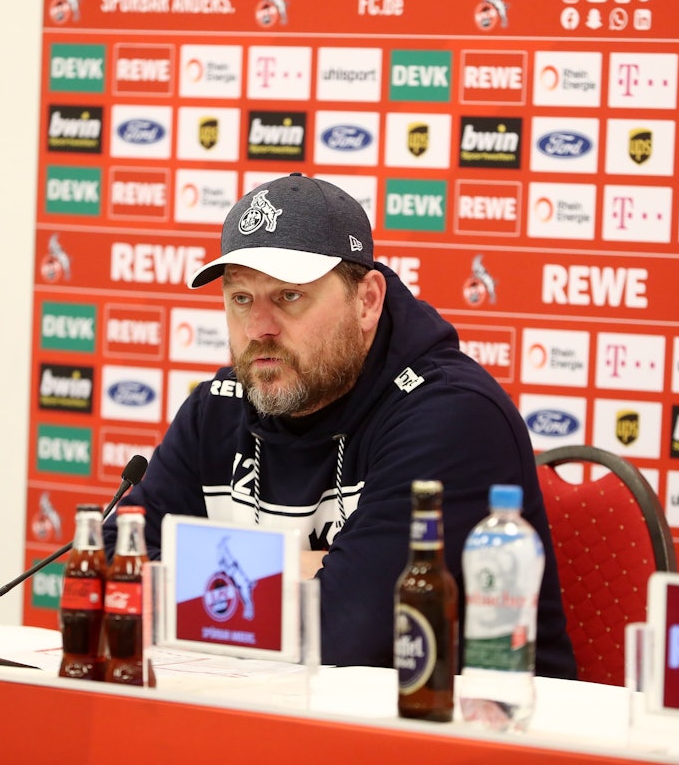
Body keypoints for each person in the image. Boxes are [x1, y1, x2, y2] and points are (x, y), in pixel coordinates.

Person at [104, 173, 577, 677]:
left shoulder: (452, 414)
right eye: (241, 298)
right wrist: (310, 570)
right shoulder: (218, 406)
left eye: (289, 296)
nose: (259, 328)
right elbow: (113, 574)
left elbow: (353, 632)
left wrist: (201, 580)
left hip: (460, 732)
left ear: (367, 300)